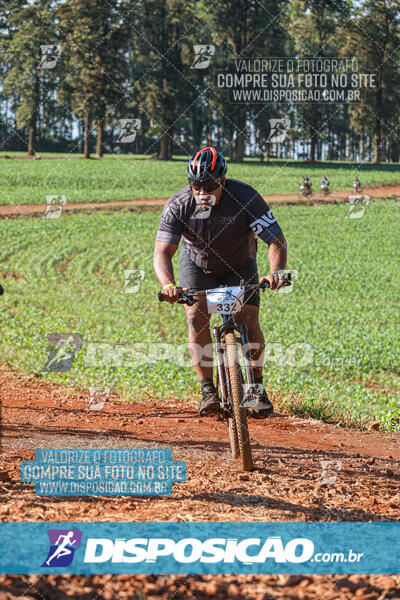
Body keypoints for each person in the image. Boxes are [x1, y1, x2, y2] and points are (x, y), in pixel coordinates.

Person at [153, 146, 287, 418]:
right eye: (196, 186)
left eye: (210, 186)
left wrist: (276, 272)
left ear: (222, 181)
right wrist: (168, 285)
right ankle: (207, 390)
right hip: (197, 265)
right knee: (195, 317)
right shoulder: (178, 205)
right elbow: (162, 252)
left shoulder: (246, 198)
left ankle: (257, 390)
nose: (203, 193)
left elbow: (276, 240)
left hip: (239, 264)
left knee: (248, 320)